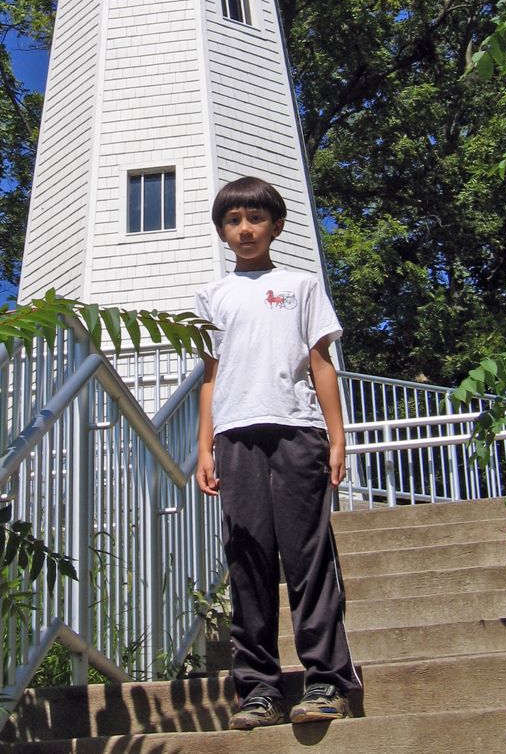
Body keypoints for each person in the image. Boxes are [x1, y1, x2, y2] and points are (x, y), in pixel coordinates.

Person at [194, 176, 361, 730]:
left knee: (307, 558)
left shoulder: (301, 285)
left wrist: (337, 438)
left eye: (255, 219)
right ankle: (260, 689)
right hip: (234, 436)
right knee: (249, 561)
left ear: (276, 225)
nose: (245, 229)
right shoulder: (213, 296)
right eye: (233, 221)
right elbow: (210, 378)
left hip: (298, 430)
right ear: (222, 231)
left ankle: (327, 681)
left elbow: (321, 364)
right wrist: (205, 447)